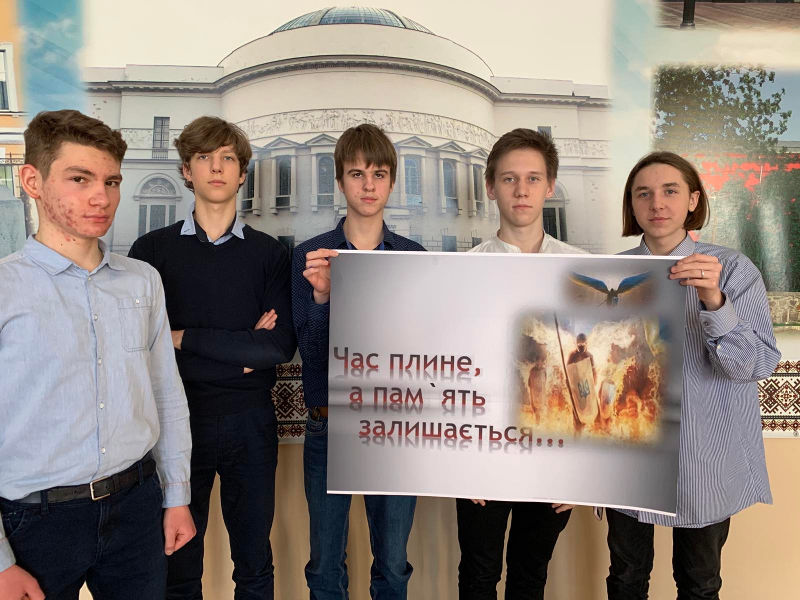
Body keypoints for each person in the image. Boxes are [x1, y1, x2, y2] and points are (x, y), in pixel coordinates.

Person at [0, 109, 194, 600]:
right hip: (34, 520)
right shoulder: (5, 287)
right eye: (79, 179)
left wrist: (176, 494)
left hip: (137, 505)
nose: (101, 197)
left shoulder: (142, 280)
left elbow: (165, 393)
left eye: (111, 181)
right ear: (32, 181)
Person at [129, 116, 296, 599]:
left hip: (251, 423)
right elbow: (142, 347)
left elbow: (275, 348)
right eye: (204, 157)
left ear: (243, 173)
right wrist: (240, 349)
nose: (217, 168)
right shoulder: (151, 251)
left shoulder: (270, 254)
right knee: (178, 564)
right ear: (187, 170)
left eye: (228, 158)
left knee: (254, 564)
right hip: (177, 423)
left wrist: (180, 338)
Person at [606, 151, 781, 600]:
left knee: (700, 583)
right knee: (625, 579)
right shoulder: (611, 274)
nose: (657, 203)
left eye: (670, 191)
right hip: (628, 455)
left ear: (693, 200)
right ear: (631, 204)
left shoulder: (733, 270)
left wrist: (714, 301)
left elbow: (754, 366)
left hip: (706, 456)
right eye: (643, 193)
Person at [291, 123, 424, 599]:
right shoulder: (309, 256)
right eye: (357, 173)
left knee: (392, 564)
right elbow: (310, 353)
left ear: (392, 182)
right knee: (325, 565)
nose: (368, 185)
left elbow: (423, 351)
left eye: (379, 174)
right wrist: (324, 298)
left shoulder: (413, 257)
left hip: (395, 424)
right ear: (340, 180)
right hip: (329, 422)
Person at [459, 128, 584, 600]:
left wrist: (584, 470)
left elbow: (590, 372)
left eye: (533, 178)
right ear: (491, 187)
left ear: (550, 186)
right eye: (509, 179)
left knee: (531, 577)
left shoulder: (584, 269)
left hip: (555, 452)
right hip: (482, 452)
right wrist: (457, 460)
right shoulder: (462, 271)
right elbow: (449, 367)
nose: (521, 190)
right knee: (478, 576)